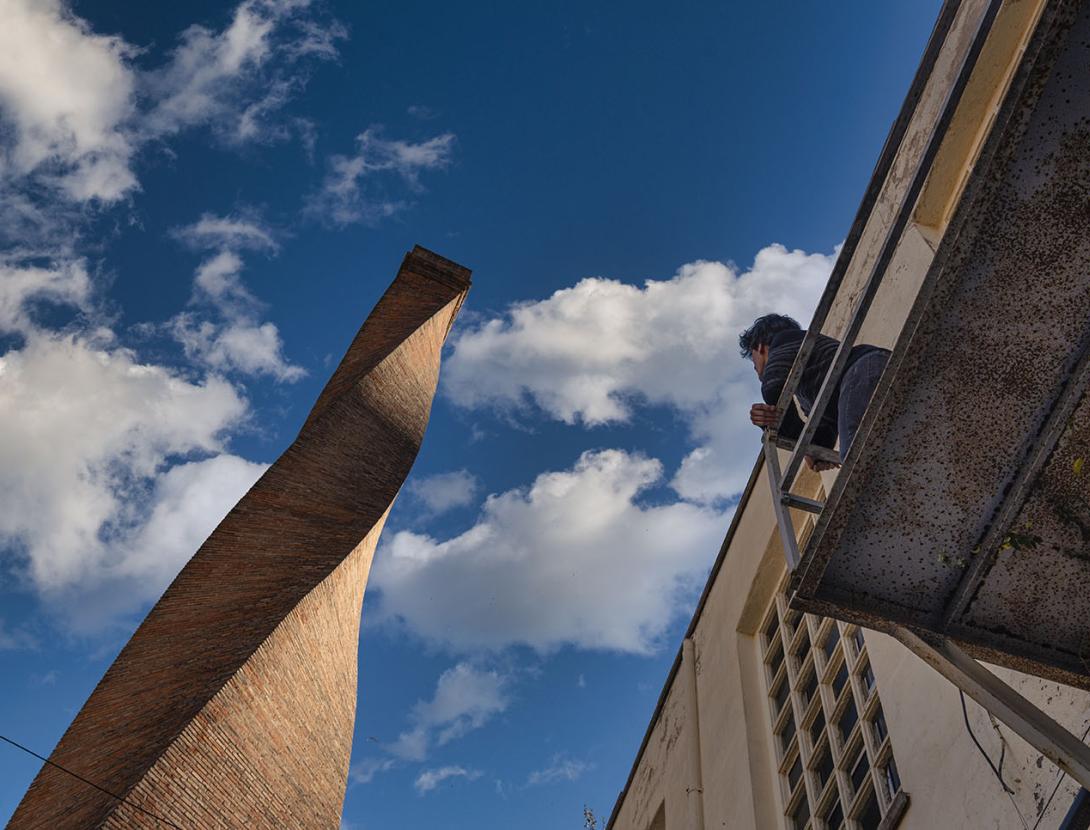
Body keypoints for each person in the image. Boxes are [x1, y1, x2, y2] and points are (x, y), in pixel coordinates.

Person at [739, 314, 889, 470]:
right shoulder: (809, 381)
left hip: (862, 372)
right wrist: (814, 451)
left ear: (760, 347)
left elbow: (772, 387)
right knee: (865, 458)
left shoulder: (784, 339)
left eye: (752, 357)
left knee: (857, 460)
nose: (754, 366)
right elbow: (824, 434)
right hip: (871, 371)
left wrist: (776, 419)